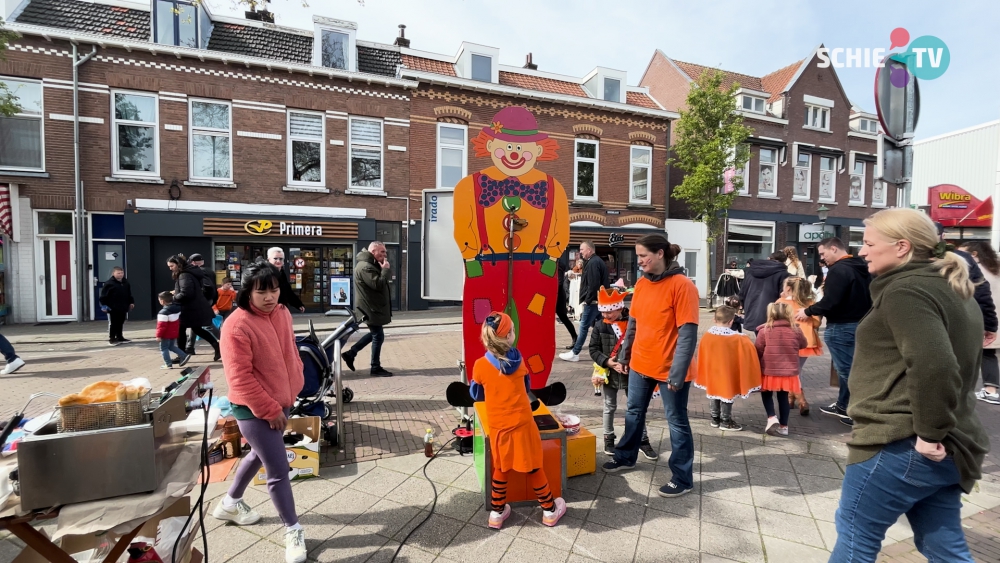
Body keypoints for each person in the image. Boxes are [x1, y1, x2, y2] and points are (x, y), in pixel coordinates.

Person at [830, 208, 989, 561]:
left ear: (902, 247)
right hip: (950, 443)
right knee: (945, 547)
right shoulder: (952, 286)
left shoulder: (907, 291)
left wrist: (930, 433)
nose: (862, 252)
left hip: (901, 441)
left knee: (856, 534)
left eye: (870, 243)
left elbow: (936, 364)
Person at [212, 262, 307, 563]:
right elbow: (239, 377)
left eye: (275, 289)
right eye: (262, 291)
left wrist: (297, 378)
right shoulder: (236, 325)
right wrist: (269, 409)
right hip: (252, 408)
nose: (270, 297)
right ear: (247, 292)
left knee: (258, 454)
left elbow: (290, 349)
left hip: (281, 399)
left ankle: (229, 502)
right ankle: (292, 529)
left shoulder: (282, 312)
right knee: (278, 471)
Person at [603, 234, 700, 500]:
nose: (640, 261)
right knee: (633, 412)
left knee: (676, 422)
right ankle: (626, 457)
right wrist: (625, 356)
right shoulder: (643, 285)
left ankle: (682, 478)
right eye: (638, 256)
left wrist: (678, 373)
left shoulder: (682, 286)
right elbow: (632, 325)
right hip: (640, 364)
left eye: (643, 255)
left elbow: (688, 334)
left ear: (660, 254)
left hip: (670, 368)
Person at [469, 311, 567, 529]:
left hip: (498, 427)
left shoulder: (480, 366)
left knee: (501, 468)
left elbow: (476, 394)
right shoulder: (519, 360)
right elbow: (527, 388)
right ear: (507, 337)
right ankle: (550, 510)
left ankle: (496, 513)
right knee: (533, 467)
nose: (514, 333)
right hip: (523, 424)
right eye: (512, 330)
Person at [795, 237, 871, 427]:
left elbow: (831, 301)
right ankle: (843, 405)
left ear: (834, 249)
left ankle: (859, 412)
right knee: (847, 367)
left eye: (823, 253)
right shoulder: (861, 266)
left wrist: (808, 311)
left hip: (841, 326)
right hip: (860, 323)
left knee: (847, 370)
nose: (822, 258)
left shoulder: (838, 270)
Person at [589, 286, 658, 459]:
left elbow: (640, 345)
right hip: (610, 372)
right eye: (603, 312)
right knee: (609, 406)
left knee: (636, 407)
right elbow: (593, 349)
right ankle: (608, 437)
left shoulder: (632, 323)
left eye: (609, 312)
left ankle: (642, 440)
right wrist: (608, 362)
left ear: (619, 308)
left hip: (631, 371)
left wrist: (630, 363)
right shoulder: (599, 326)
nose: (606, 316)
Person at [692, 306, 761, 431]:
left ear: (714, 319)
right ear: (731, 321)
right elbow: (750, 351)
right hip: (728, 372)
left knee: (713, 392)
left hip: (712, 371)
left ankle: (714, 418)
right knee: (727, 393)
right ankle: (726, 420)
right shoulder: (738, 338)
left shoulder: (707, 336)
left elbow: (702, 353)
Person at [755, 302, 807, 436]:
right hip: (788, 370)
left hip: (769, 369)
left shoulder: (764, 330)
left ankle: (771, 417)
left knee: (766, 394)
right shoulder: (796, 330)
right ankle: (784, 426)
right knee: (783, 397)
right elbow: (803, 344)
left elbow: (758, 349)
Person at [342, 242, 393, 377]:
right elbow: (378, 284)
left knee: (377, 334)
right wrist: (386, 270)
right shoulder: (366, 267)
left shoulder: (370, 264)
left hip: (371, 307)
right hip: (370, 308)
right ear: (373, 251)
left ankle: (351, 354)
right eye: (382, 252)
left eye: (385, 252)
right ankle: (374, 367)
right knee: (378, 335)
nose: (385, 255)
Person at [959, 241, 1000, 404]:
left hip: (983, 317)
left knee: (982, 354)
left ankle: (991, 390)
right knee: (989, 354)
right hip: (995, 316)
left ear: (974, 254)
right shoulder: (995, 268)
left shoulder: (975, 271)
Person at [779, 277, 821, 416]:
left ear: (788, 288)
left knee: (792, 371)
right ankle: (791, 398)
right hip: (806, 342)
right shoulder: (810, 304)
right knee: (797, 370)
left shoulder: (781, 303)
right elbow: (816, 324)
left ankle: (801, 400)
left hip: (786, 341)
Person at [560, 241, 608, 362]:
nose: (580, 252)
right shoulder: (596, 261)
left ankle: (575, 352)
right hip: (599, 300)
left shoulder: (592, 263)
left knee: (584, 326)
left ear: (589, 250)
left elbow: (593, 284)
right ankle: (605, 351)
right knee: (601, 327)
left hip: (593, 302)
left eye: (582, 249)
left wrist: (588, 300)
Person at [167, 254, 221, 362]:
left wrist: (173, 298)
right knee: (196, 329)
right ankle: (216, 347)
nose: (170, 268)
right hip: (193, 307)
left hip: (190, 308)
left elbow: (187, 292)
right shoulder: (189, 272)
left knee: (182, 329)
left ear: (178, 264)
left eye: (172, 266)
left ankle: (182, 354)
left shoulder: (184, 275)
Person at [738, 251, 790, 334]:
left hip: (751, 306)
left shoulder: (751, 271)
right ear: (784, 262)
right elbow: (783, 294)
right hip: (772, 310)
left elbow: (743, 289)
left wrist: (742, 303)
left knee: (759, 335)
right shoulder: (783, 274)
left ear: (769, 259)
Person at [99, 266, 134, 345]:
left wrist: (131, 302)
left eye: (122, 273)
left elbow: (129, 294)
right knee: (113, 323)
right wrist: (104, 305)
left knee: (121, 322)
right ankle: (112, 338)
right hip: (112, 307)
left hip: (123, 306)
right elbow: (103, 295)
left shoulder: (125, 283)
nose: (120, 275)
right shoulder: (109, 284)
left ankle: (120, 337)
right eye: (118, 273)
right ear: (113, 273)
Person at [155, 292, 190, 369]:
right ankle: (184, 355)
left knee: (164, 348)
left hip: (165, 334)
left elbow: (161, 326)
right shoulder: (177, 309)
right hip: (174, 332)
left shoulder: (163, 312)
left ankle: (168, 364)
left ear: (162, 301)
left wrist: (158, 335)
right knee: (171, 346)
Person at [267, 247, 305, 313]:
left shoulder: (282, 273)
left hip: (281, 310)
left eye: (281, 259)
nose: (278, 261)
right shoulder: (264, 274)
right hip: (269, 310)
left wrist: (298, 304)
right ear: (269, 259)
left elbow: (288, 291)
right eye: (275, 258)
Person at [556, 255, 578, 346]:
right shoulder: (550, 262)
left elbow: (559, 283)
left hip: (558, 296)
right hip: (553, 296)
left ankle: (575, 337)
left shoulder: (558, 264)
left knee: (563, 318)